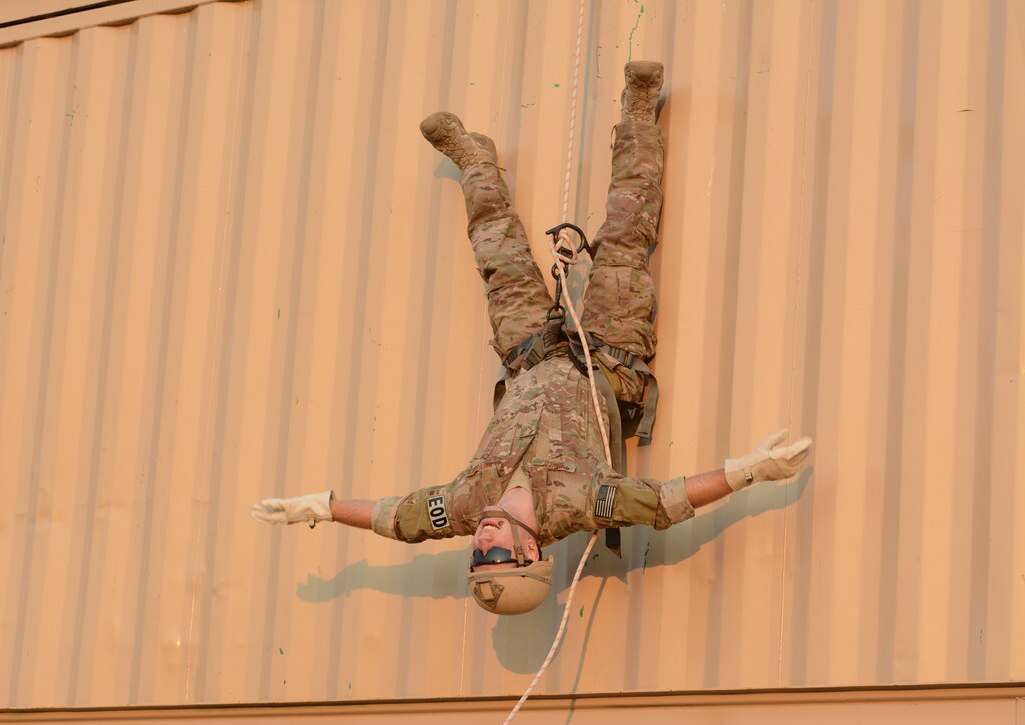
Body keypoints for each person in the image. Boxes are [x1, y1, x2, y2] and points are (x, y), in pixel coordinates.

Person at [252, 61, 812, 616]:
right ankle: (639, 110)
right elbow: (665, 502)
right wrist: (749, 471)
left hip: (529, 352)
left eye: (476, 556)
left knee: (497, 254)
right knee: (625, 232)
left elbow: (396, 519)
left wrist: (322, 509)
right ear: (530, 552)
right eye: (494, 554)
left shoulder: (468, 508)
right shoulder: (579, 504)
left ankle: (476, 160)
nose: (480, 542)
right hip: (608, 349)